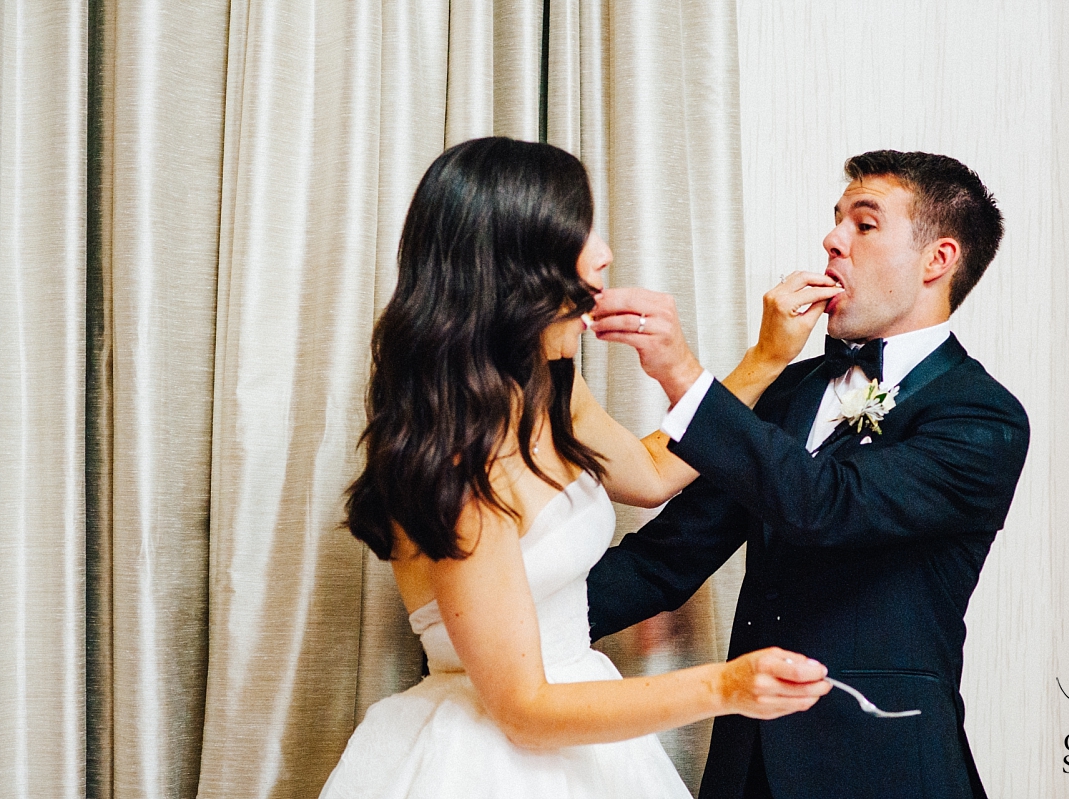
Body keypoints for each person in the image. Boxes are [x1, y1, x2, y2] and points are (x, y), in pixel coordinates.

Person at [319, 136, 832, 799]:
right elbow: (525, 708)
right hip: (493, 754)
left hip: (585, 722)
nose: (605, 254)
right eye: (580, 232)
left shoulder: (548, 381)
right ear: (516, 265)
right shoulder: (457, 467)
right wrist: (724, 685)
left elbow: (650, 474)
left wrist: (764, 356)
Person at [587, 150, 1031, 799]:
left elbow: (827, 506)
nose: (832, 238)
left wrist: (684, 373)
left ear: (938, 259)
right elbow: (667, 559)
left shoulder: (981, 416)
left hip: (884, 768)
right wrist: (516, 624)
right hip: (746, 766)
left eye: (864, 223)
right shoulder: (790, 393)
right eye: (836, 219)